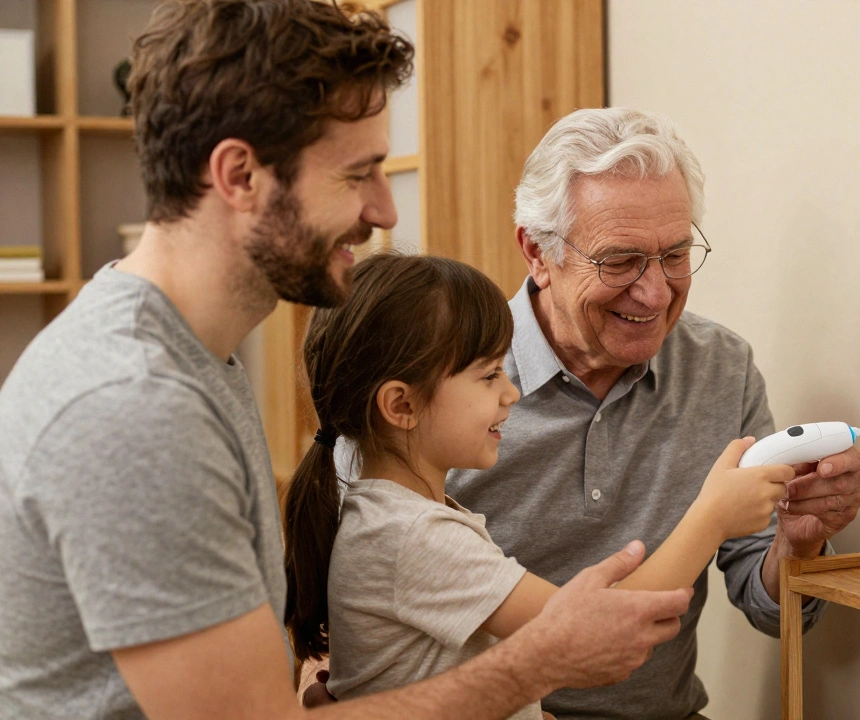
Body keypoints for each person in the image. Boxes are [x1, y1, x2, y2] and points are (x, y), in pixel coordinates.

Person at [0, 3, 693, 719]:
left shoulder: (195, 364)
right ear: (240, 175)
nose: (385, 211)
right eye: (357, 174)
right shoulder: (137, 410)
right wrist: (539, 660)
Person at [447, 108, 860, 719]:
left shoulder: (720, 367)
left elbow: (771, 608)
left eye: (674, 254)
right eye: (619, 261)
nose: (654, 292)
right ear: (537, 252)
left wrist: (795, 544)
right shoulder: (448, 379)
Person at [283, 253, 793, 718]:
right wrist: (712, 517)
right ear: (401, 406)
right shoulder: (415, 536)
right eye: (488, 377)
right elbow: (596, 627)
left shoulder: (395, 513)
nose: (510, 394)